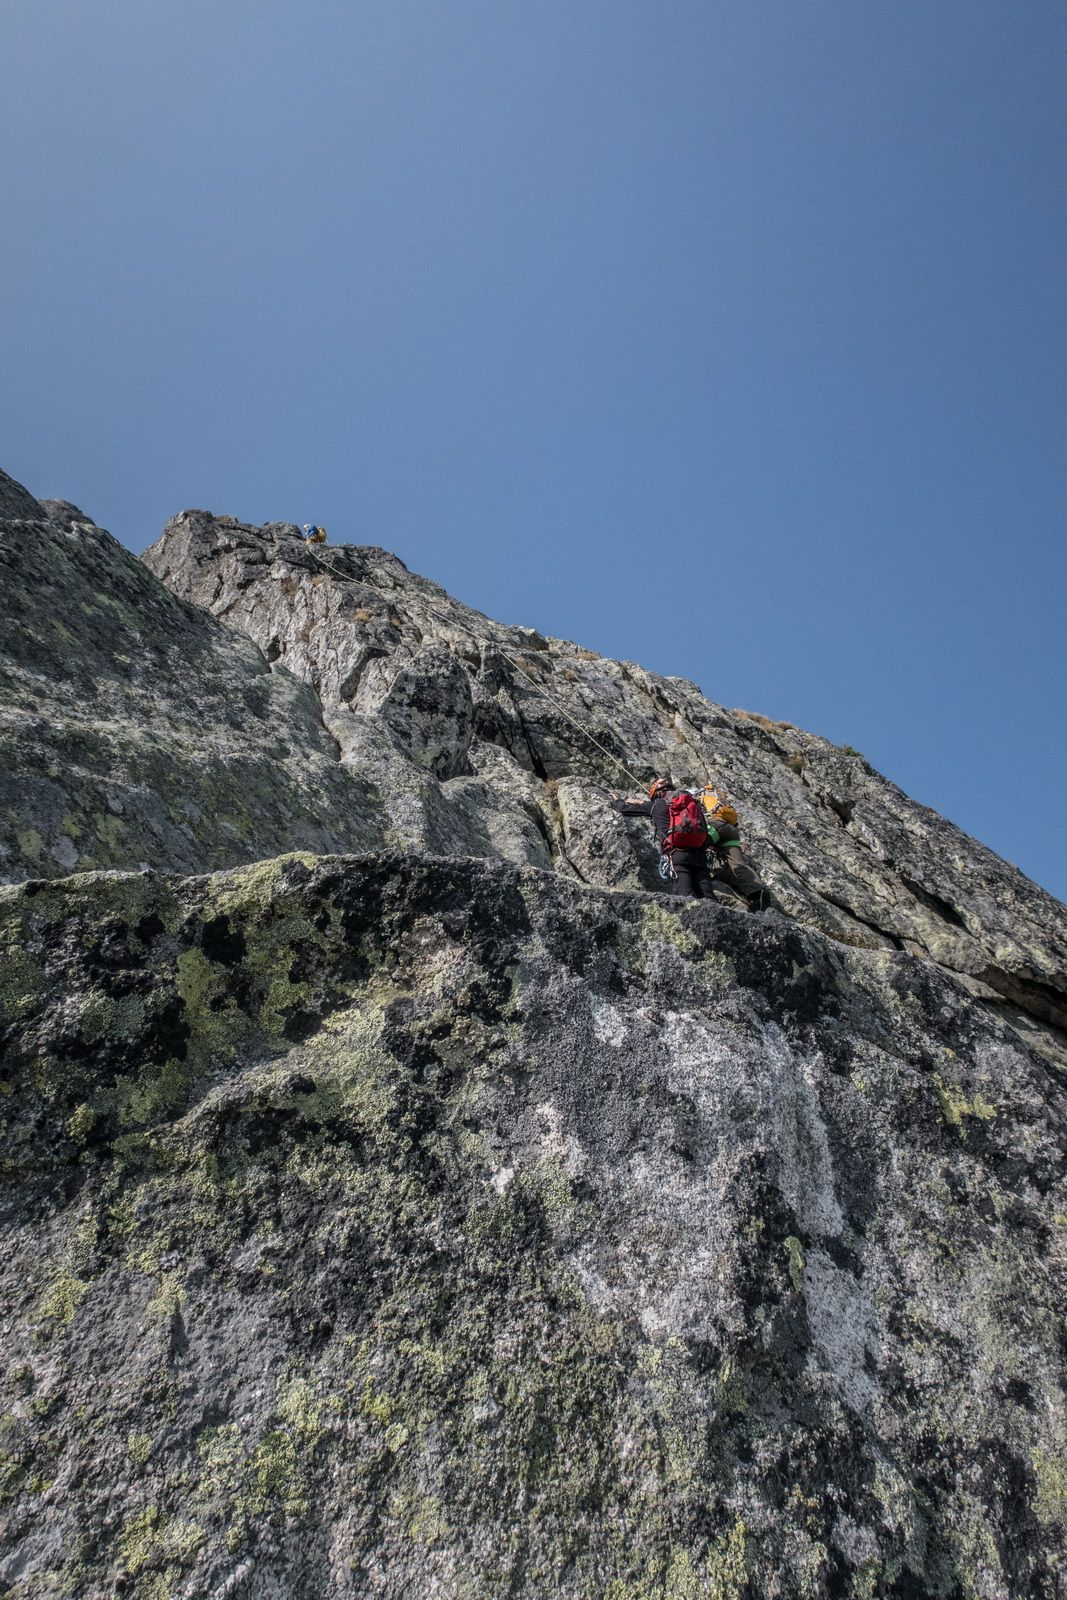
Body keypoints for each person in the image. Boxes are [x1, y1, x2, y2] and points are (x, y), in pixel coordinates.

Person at [613, 776, 714, 899]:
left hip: (677, 854)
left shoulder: (657, 805)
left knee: (686, 895)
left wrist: (618, 799)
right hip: (699, 854)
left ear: (656, 794)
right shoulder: (691, 804)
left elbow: (624, 809)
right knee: (707, 894)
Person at [701, 793, 769, 912]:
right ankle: (758, 892)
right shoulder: (718, 799)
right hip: (730, 830)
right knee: (737, 863)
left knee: (697, 846)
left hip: (715, 825)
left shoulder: (700, 797)